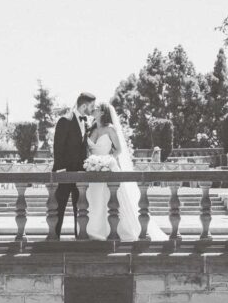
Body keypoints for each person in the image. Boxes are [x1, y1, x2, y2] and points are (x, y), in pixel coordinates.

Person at [84, 103, 168, 241]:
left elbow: (119, 150)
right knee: (95, 200)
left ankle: (114, 231)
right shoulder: (91, 128)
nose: (93, 109)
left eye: (97, 108)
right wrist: (91, 162)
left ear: (103, 112)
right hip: (93, 170)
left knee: (110, 200)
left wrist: (105, 161)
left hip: (107, 169)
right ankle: (94, 231)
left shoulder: (110, 129)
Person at [51, 92, 95, 239]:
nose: (93, 109)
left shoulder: (87, 122)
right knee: (59, 206)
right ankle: (54, 237)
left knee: (80, 207)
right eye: (91, 106)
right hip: (65, 173)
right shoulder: (65, 120)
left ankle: (79, 236)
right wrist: (61, 172)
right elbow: (58, 148)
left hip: (80, 175)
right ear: (84, 105)